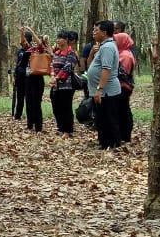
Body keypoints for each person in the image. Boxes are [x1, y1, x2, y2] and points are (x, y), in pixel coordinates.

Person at [86, 20, 123, 149]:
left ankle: (112, 144)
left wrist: (99, 89)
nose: (93, 33)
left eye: (96, 30)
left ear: (104, 32)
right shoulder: (104, 46)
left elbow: (106, 69)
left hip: (107, 91)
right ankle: (105, 142)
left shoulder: (107, 47)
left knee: (108, 118)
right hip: (104, 91)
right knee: (102, 118)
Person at [49, 30, 80, 136]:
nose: (58, 40)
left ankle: (68, 130)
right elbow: (52, 64)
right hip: (55, 85)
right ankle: (60, 127)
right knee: (56, 106)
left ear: (66, 40)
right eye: (57, 38)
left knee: (65, 107)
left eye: (60, 38)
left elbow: (68, 67)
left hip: (67, 85)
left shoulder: (71, 53)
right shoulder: (57, 52)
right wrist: (53, 76)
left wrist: (57, 78)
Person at [22, 28, 50, 132]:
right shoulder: (30, 50)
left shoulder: (41, 49)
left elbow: (39, 43)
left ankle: (38, 126)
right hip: (29, 78)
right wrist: (22, 33)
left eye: (36, 40)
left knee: (36, 102)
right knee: (28, 101)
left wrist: (31, 31)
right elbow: (23, 43)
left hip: (38, 79)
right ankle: (30, 124)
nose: (35, 42)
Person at [114, 31, 137, 143]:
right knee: (121, 110)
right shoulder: (120, 53)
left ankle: (125, 135)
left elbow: (123, 73)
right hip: (120, 86)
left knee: (123, 111)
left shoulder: (125, 56)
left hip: (123, 87)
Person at [11, 32, 30, 121]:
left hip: (27, 77)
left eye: (23, 38)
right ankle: (17, 115)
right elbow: (17, 64)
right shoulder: (20, 51)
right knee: (19, 96)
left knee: (28, 97)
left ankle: (30, 116)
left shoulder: (30, 50)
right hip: (19, 76)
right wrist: (15, 77)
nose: (21, 39)